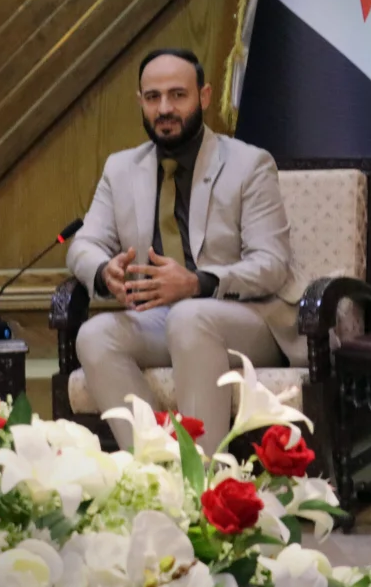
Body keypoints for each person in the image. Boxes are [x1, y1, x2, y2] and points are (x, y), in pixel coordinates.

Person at [65, 49, 307, 455]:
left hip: (248, 319)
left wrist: (198, 283)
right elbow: (83, 245)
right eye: (153, 97)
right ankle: (157, 469)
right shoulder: (120, 169)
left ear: (204, 96)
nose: (165, 108)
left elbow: (272, 265)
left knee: (190, 317)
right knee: (94, 335)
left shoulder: (249, 164)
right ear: (140, 101)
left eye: (178, 95)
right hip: (164, 319)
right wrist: (104, 270)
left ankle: (204, 477)